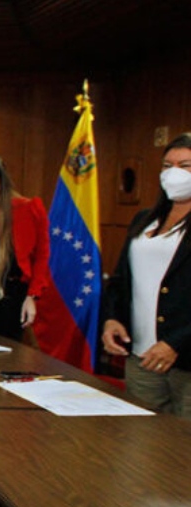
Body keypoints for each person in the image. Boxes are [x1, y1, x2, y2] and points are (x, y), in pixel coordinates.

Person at [102, 133, 191, 416]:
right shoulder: (144, 219)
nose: (174, 173)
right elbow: (120, 279)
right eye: (167, 165)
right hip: (142, 356)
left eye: (185, 165)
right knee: (141, 445)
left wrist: (176, 342)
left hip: (184, 359)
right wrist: (112, 318)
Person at [0, 153, 51, 341]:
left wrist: (33, 296)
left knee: (14, 353)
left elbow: (42, 257)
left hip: (16, 294)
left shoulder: (29, 209)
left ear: (1, 180)